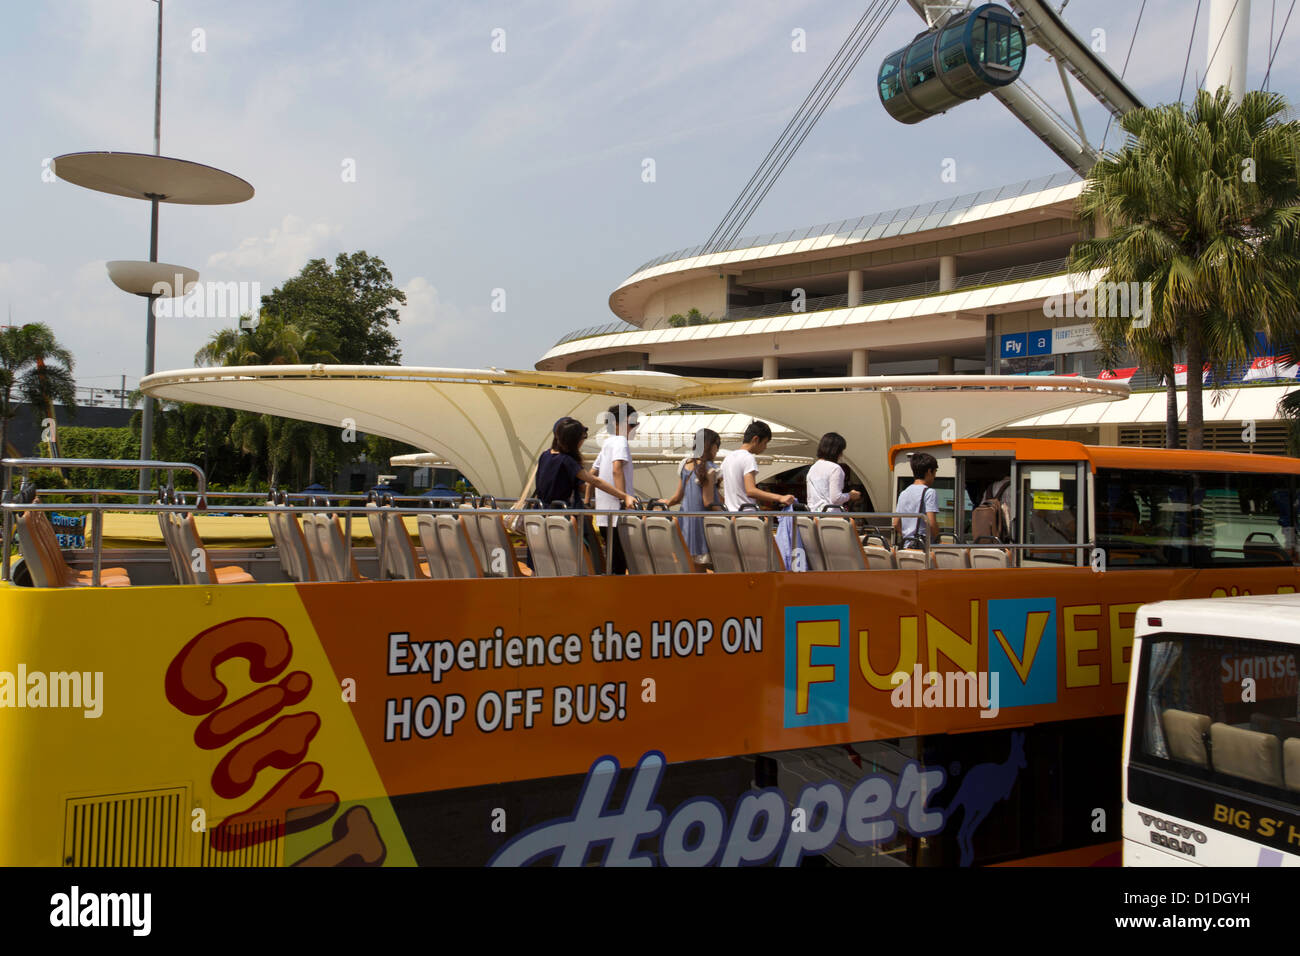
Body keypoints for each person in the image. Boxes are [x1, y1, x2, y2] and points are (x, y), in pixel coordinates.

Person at [664, 427, 720, 569]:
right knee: (706, 568)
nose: (717, 451)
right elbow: (708, 502)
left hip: (685, 523)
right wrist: (727, 514)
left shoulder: (685, 464)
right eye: (717, 447)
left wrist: (665, 503)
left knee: (690, 568)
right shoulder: (711, 469)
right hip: (701, 526)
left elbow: (677, 497)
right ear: (712, 446)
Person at [592, 403, 638, 573]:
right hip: (617, 513)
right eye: (632, 423)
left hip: (604, 513)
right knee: (624, 561)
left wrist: (590, 500)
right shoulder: (620, 441)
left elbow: (593, 473)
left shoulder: (608, 443)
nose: (635, 428)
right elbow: (616, 469)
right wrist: (623, 499)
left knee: (614, 561)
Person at [721, 421, 796, 511]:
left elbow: (718, 485)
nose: (765, 447)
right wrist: (780, 498)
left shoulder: (728, 458)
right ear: (756, 440)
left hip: (730, 515)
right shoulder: (748, 458)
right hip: (746, 514)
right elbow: (751, 491)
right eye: (765, 443)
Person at [805, 431, 861, 512]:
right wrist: (850, 495)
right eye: (841, 451)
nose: (842, 454)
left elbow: (810, 498)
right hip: (831, 517)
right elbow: (836, 498)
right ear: (836, 451)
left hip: (814, 516)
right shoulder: (835, 468)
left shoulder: (813, 468)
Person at [893, 452, 940, 547]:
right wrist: (939, 539)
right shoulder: (929, 492)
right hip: (923, 547)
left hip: (907, 545)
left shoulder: (903, 493)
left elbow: (896, 523)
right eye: (935, 472)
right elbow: (931, 523)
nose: (935, 476)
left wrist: (909, 537)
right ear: (929, 471)